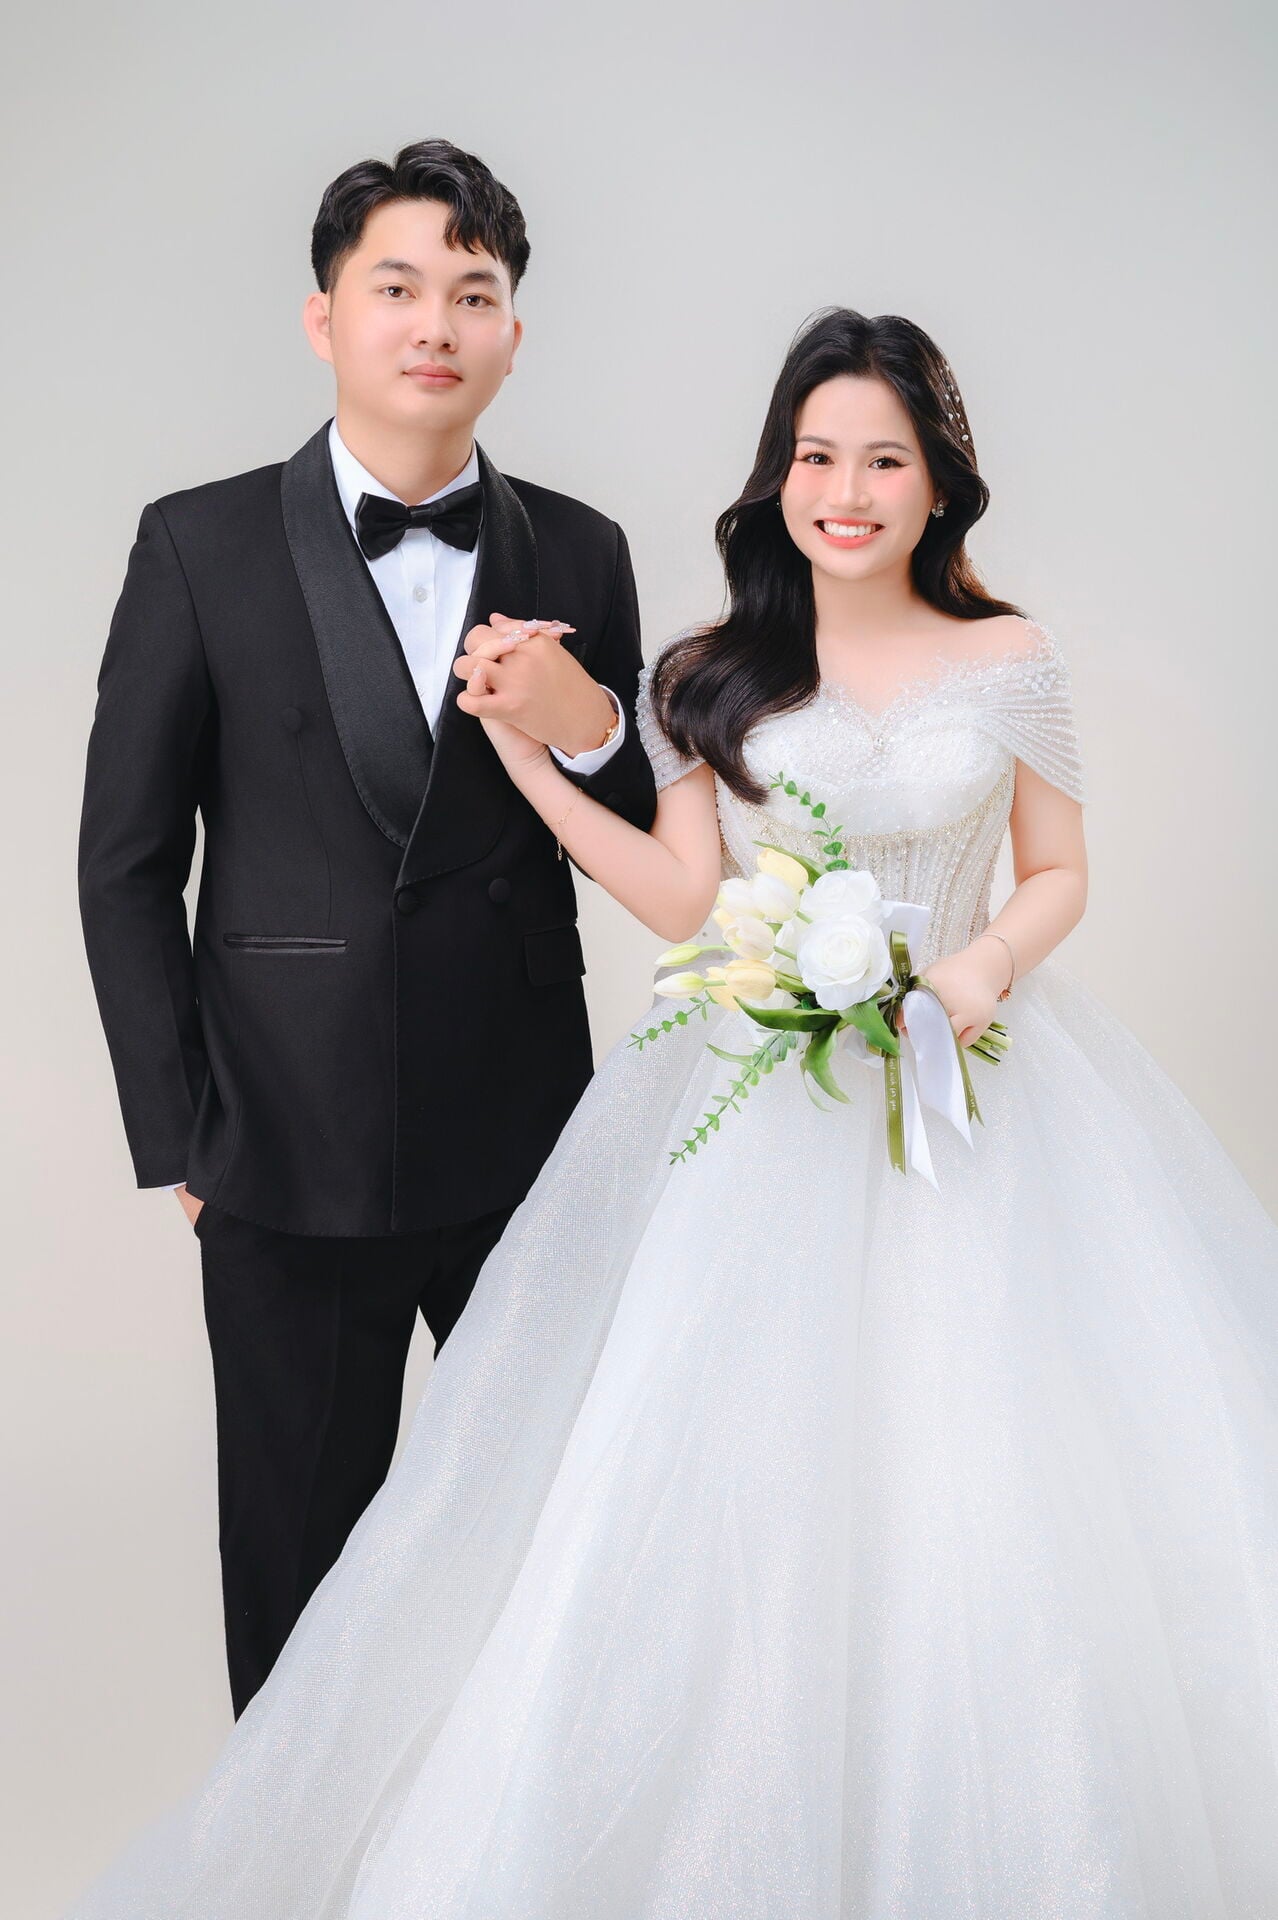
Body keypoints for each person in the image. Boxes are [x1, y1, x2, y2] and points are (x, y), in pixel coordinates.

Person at [67, 309, 1278, 1918]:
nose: (844, 491)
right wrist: (533, 764)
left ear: (937, 484)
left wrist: (979, 965)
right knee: (727, 1498)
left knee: (995, 1491)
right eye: (815, 456)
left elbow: (1056, 871)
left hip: (975, 1082)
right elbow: (688, 901)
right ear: (777, 476)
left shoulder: (1010, 658)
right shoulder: (708, 674)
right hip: (764, 1100)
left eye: (882, 461)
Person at [76, 138, 656, 1720]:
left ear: (513, 332)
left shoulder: (582, 548)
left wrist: (589, 718)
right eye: (396, 287)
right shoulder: (199, 544)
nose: (435, 324)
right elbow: (124, 861)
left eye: (472, 293)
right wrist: (183, 1133)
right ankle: (297, 1848)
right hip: (282, 1136)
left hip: (524, 1131)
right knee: (297, 1568)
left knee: (543, 1557)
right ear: (323, 317)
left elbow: (645, 832)